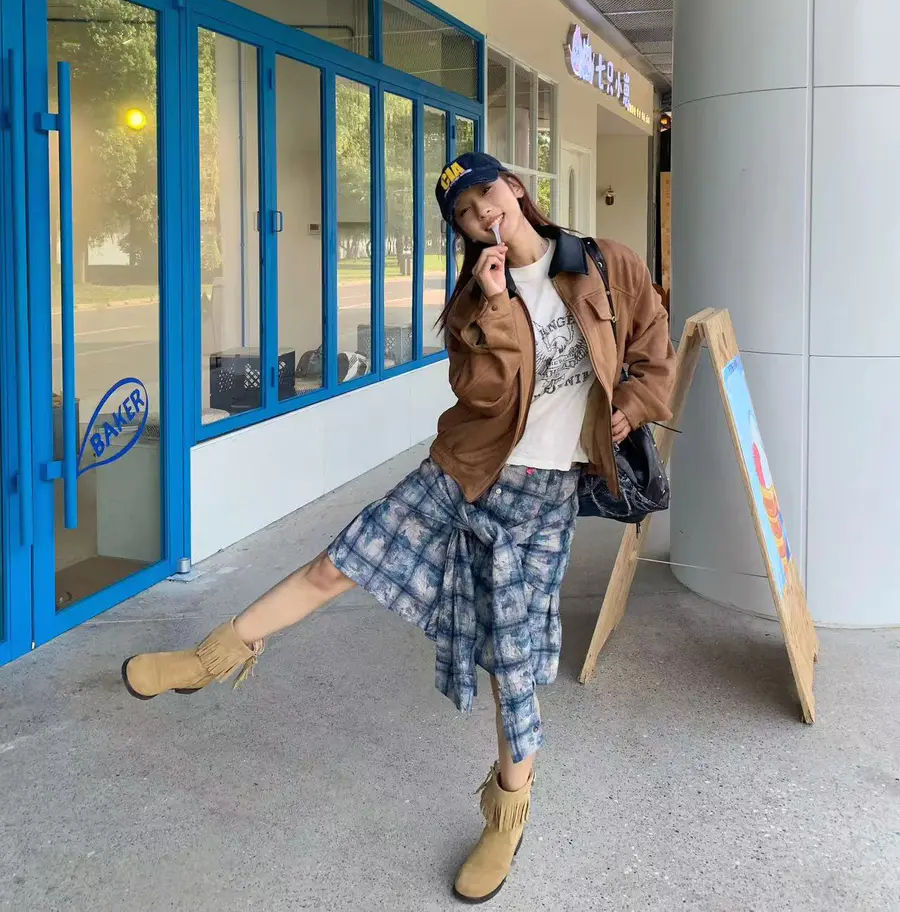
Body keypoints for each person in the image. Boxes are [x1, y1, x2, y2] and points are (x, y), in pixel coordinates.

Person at [122, 151, 675, 904]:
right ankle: (209, 658)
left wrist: (632, 408)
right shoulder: (473, 300)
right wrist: (496, 306)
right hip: (463, 471)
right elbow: (483, 397)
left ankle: (507, 818)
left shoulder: (605, 265)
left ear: (515, 188)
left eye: (486, 193)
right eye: (463, 213)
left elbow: (653, 350)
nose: (481, 213)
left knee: (510, 660)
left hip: (543, 499)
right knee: (338, 562)